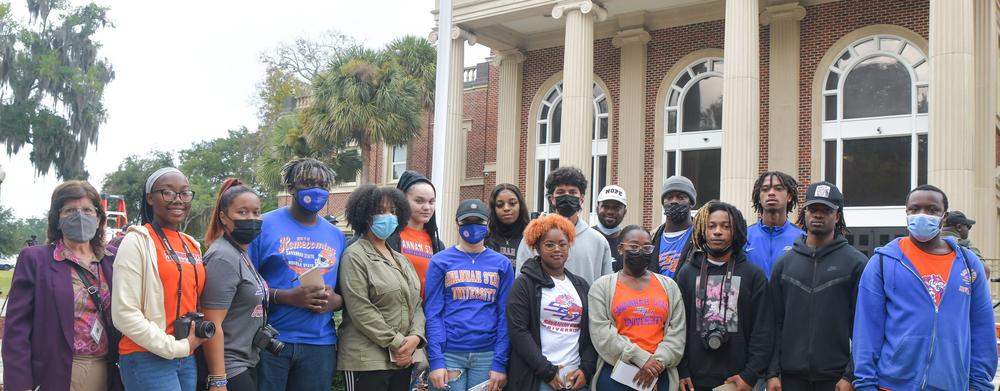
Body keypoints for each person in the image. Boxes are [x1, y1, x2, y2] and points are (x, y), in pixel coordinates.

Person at [853, 185, 997, 391]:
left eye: (931, 210)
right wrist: (865, 384)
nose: (922, 215)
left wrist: (980, 384)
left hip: (952, 384)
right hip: (891, 385)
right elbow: (867, 329)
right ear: (906, 213)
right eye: (914, 209)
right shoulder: (882, 263)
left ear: (944, 216)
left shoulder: (969, 264)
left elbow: (982, 327)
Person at [2, 181, 123, 391]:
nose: (79, 215)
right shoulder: (36, 260)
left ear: (98, 218)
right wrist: (20, 384)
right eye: (69, 210)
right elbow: (17, 331)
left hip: (107, 371)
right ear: (57, 219)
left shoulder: (111, 262)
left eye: (86, 210)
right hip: (55, 374)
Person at [249, 158, 346, 391]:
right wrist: (286, 296)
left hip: (319, 345)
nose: (318, 190)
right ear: (291, 187)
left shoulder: (336, 235)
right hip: (271, 341)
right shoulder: (263, 225)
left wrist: (335, 302)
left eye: (324, 185)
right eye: (309, 183)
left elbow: (345, 294)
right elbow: (244, 286)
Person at [112, 167, 208, 391]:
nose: (178, 200)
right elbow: (124, 314)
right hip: (146, 356)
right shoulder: (136, 241)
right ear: (149, 198)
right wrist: (175, 347)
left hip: (186, 356)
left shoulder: (191, 244)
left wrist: (186, 347)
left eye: (184, 193)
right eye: (168, 192)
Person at [766, 182, 865, 391]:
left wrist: (850, 375)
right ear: (805, 213)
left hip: (836, 379)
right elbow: (773, 323)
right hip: (789, 379)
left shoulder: (856, 263)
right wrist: (772, 372)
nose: (818, 215)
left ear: (837, 216)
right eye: (813, 209)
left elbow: (864, 328)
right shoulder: (784, 265)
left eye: (826, 210)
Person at [676, 201, 772, 391]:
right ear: (703, 230)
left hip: (738, 381)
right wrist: (682, 370)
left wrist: (750, 375)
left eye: (725, 226)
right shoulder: (687, 273)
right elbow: (677, 326)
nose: (718, 231)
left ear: (735, 231)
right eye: (711, 226)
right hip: (694, 381)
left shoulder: (753, 275)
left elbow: (763, 329)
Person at [338, 184, 426, 390]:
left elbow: (417, 303)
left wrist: (415, 338)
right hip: (366, 360)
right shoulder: (354, 255)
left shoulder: (401, 260)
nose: (388, 217)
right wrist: (398, 343)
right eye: (380, 211)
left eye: (393, 211)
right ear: (365, 215)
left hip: (402, 360)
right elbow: (360, 309)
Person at [425, 199, 514, 391]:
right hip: (449, 354)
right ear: (457, 223)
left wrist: (500, 362)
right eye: (466, 222)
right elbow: (433, 313)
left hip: (487, 355)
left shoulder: (502, 264)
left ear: (487, 224)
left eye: (479, 222)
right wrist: (436, 360)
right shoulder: (440, 261)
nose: (472, 227)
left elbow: (505, 315)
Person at [589, 225, 686, 391]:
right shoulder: (601, 287)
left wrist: (656, 364)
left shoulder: (669, 286)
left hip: (659, 373)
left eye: (647, 247)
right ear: (620, 249)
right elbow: (602, 334)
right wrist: (641, 360)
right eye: (633, 246)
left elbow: (677, 333)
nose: (640, 251)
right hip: (617, 373)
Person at [508, 214, 597, 391]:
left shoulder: (581, 285)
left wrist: (586, 369)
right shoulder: (525, 283)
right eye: (549, 244)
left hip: (575, 378)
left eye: (563, 244)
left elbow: (591, 332)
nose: (557, 249)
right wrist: (547, 372)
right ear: (538, 248)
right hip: (541, 378)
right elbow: (518, 331)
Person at [200, 178, 267, 391]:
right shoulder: (223, 257)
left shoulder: (241, 253)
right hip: (229, 367)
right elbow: (212, 324)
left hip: (246, 362)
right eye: (243, 212)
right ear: (224, 217)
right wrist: (218, 380)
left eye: (256, 212)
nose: (252, 218)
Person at [516, 166, 614, 284]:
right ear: (552, 199)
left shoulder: (598, 241)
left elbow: (606, 287)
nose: (567, 196)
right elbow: (521, 281)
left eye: (573, 192)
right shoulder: (534, 236)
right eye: (561, 192)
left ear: (582, 198)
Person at [392, 170, 447, 296]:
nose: (427, 207)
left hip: (427, 312)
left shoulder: (438, 245)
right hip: (396, 312)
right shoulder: (389, 237)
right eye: (419, 201)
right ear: (402, 200)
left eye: (431, 201)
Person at [745, 171, 803, 280]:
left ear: (789, 196)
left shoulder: (802, 238)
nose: (771, 193)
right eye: (765, 189)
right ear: (758, 197)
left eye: (778, 188)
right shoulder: (744, 237)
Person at [647, 175, 697, 278]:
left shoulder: (703, 236)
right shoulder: (650, 238)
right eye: (669, 197)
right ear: (663, 203)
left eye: (681, 197)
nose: (674, 201)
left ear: (691, 202)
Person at [485, 183, 530, 265]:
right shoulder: (484, 237)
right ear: (493, 208)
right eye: (499, 205)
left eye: (512, 203)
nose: (506, 208)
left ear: (520, 206)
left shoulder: (532, 237)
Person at [592, 185, 629, 272]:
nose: (610, 212)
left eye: (616, 208)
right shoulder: (586, 237)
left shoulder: (629, 243)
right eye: (605, 206)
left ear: (624, 212)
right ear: (597, 209)